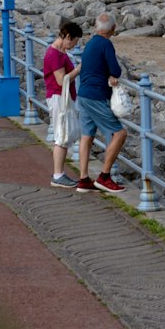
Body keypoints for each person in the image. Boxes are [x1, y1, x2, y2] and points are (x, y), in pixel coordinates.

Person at [76, 13, 127, 194]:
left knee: (87, 135)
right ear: (113, 29)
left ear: (96, 28)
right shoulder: (106, 44)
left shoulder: (90, 43)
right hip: (96, 95)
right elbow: (115, 69)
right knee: (119, 133)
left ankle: (83, 179)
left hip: (83, 93)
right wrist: (110, 75)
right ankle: (104, 177)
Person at [43, 20, 83, 187]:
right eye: (74, 41)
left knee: (64, 135)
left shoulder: (59, 52)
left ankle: (59, 173)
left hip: (61, 97)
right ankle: (58, 174)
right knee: (62, 135)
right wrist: (79, 69)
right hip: (58, 97)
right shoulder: (55, 54)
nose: (74, 45)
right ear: (67, 37)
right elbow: (61, 81)